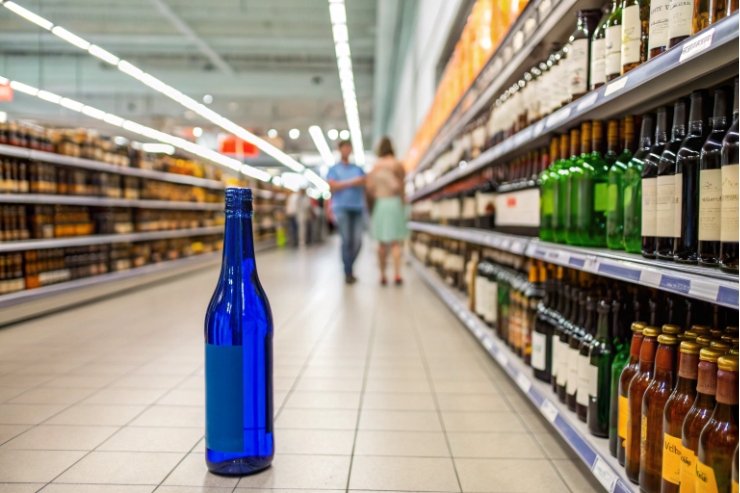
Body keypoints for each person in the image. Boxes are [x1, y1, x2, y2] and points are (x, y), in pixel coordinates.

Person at [366, 137, 408, 285]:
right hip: (394, 203)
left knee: (381, 243)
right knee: (396, 242)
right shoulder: (397, 164)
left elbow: (370, 188)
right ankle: (397, 274)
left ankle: (382, 275)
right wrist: (403, 202)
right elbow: (403, 185)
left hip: (381, 204)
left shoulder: (375, 167)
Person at [326, 140, 366, 284]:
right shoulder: (334, 169)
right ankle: (348, 272)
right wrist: (352, 182)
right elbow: (332, 186)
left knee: (358, 242)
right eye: (344, 147)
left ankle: (349, 265)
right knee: (346, 240)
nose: (347, 150)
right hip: (341, 208)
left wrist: (343, 184)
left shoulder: (358, 168)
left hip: (358, 208)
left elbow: (364, 182)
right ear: (340, 150)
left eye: (349, 147)